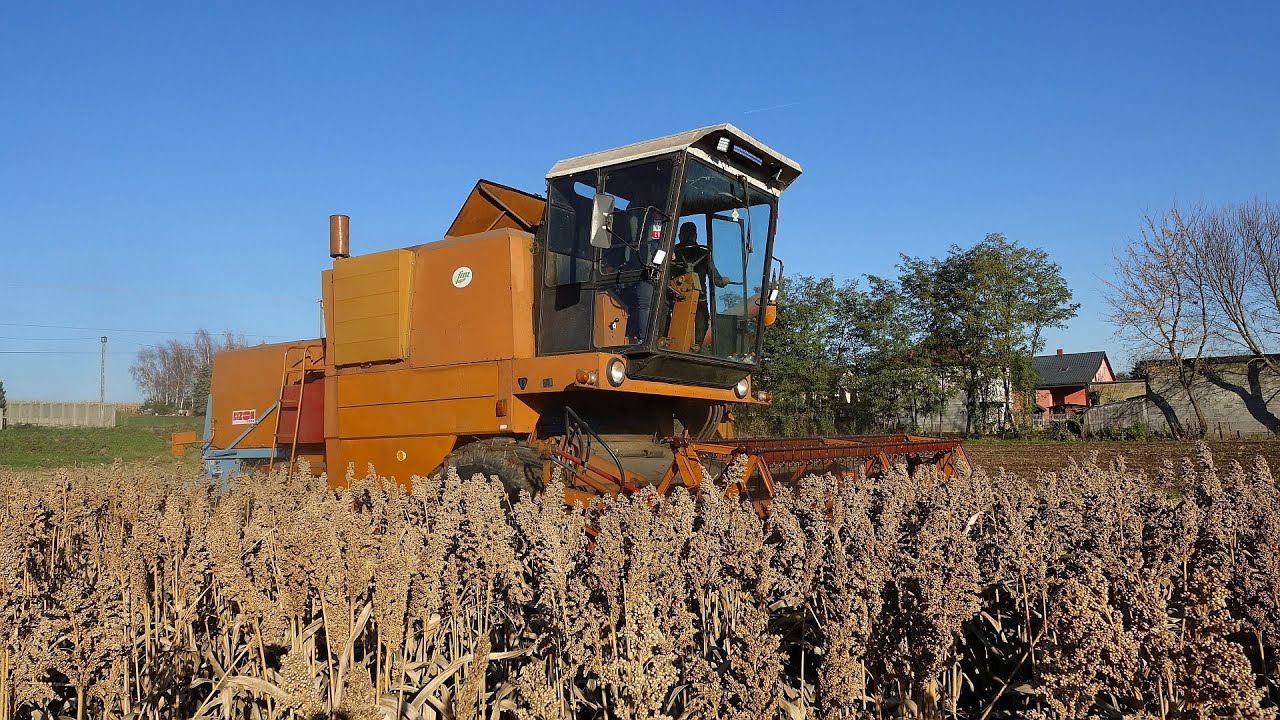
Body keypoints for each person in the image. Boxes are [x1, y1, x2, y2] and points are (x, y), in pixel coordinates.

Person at [670, 221, 730, 348]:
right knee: (700, 321)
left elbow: (715, 277)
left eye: (689, 234)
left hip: (693, 298)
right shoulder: (673, 253)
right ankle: (692, 345)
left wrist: (721, 281)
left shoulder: (701, 254)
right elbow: (716, 279)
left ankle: (695, 346)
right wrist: (722, 281)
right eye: (687, 234)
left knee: (702, 321)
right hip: (676, 297)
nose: (688, 237)